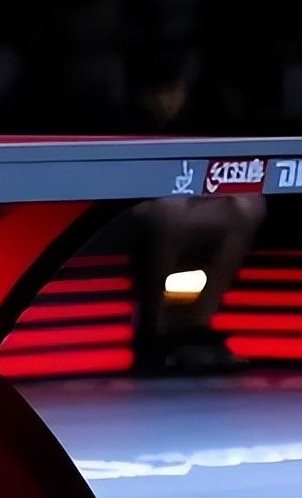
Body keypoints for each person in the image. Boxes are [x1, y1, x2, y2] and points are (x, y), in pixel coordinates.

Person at [119, 41, 269, 375]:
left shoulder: (199, 117)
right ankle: (153, 328)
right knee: (168, 212)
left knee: (248, 206)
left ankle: (195, 325)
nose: (165, 101)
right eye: (157, 93)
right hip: (124, 209)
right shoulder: (121, 119)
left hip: (183, 204)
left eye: (172, 91)